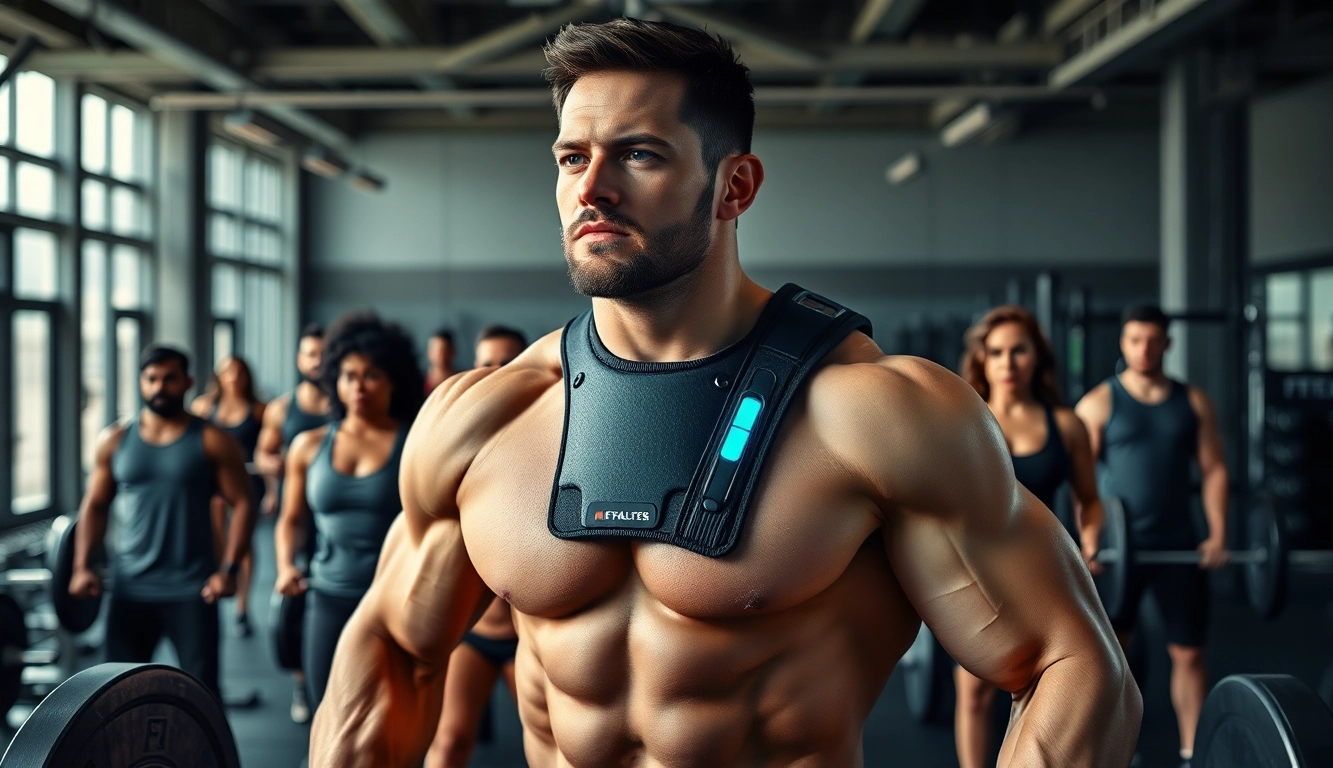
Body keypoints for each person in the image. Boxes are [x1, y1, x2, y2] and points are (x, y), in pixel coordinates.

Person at [311, 20, 1139, 768]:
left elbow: (1077, 669)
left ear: (735, 186)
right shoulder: (486, 420)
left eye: (638, 154)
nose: (591, 188)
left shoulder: (877, 415)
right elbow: (391, 654)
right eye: (572, 158)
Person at [1076, 304, 1229, 768]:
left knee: (1189, 652)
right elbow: (1083, 481)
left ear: (1167, 344)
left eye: (1153, 340)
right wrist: (1088, 538)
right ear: (1123, 343)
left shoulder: (1193, 401)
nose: (1144, 350)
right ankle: (1120, 751)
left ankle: (1191, 755)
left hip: (1179, 542)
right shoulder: (1099, 402)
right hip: (1121, 549)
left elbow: (1214, 469)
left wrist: (1218, 533)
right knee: (1114, 655)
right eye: (1134, 340)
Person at [953, 306, 1106, 768]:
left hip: (1045, 573)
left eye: (1019, 350)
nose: (1008, 362)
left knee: (1043, 691)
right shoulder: (960, 420)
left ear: (1037, 357)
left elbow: (1090, 501)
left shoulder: (1066, 425)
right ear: (982, 359)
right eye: (996, 352)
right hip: (977, 573)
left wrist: (1093, 540)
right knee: (976, 693)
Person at [71, 344, 255, 697]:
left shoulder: (212, 440)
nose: (159, 387)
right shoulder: (115, 440)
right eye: (151, 379)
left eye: (169, 379)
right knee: (116, 696)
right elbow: (94, 505)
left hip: (191, 588)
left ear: (187, 382)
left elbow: (243, 502)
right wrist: (82, 565)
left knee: (202, 697)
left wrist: (228, 571)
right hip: (129, 589)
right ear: (141, 382)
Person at [274, 312, 424, 709]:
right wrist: (287, 565)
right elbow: (291, 519)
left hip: (393, 598)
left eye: (372, 375)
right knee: (325, 709)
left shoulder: (417, 443)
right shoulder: (308, 446)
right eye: (348, 375)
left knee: (389, 717)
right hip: (327, 594)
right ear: (334, 382)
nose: (359, 386)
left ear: (393, 379)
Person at [424, 327, 528, 768]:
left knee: (556, 748)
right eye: (487, 362)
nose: (497, 372)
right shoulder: (458, 447)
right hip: (476, 632)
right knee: (449, 743)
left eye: (508, 362)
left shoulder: (552, 443)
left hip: (532, 635)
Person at [255, 323, 330, 723]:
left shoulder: (347, 402)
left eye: (323, 354)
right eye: (310, 354)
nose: (316, 361)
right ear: (299, 359)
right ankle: (304, 681)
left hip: (336, 517)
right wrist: (273, 470)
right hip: (299, 518)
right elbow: (263, 453)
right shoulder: (282, 409)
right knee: (298, 605)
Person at [191, 355, 268, 638]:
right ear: (218, 376)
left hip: (247, 484)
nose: (233, 377)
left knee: (243, 542)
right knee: (217, 539)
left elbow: (267, 450)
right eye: (227, 372)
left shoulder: (259, 410)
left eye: (238, 372)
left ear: (246, 376)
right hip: (212, 486)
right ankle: (218, 583)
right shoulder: (204, 407)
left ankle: (242, 607)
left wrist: (272, 492)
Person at [426, 328, 458, 393]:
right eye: (436, 350)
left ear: (452, 352)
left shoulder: (461, 383)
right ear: (429, 353)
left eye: (444, 350)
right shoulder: (416, 384)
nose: (440, 355)